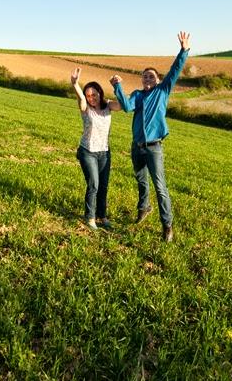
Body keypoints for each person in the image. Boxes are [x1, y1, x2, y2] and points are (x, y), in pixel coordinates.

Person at [110, 31, 190, 242]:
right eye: (145, 76)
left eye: (151, 76)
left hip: (154, 148)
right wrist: (117, 86)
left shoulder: (162, 91)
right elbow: (126, 107)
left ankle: (167, 225)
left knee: (160, 187)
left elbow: (175, 71)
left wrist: (183, 51)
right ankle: (144, 208)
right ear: (142, 79)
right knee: (141, 181)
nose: (147, 78)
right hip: (137, 147)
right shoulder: (137, 95)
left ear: (158, 80)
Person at [71, 67, 122, 230]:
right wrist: (75, 84)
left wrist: (117, 86)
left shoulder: (108, 106)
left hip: (104, 152)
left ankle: (102, 216)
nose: (91, 98)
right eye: (88, 95)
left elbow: (122, 105)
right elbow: (81, 100)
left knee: (104, 186)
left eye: (94, 94)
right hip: (87, 151)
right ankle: (90, 217)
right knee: (94, 184)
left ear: (100, 93)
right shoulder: (86, 109)